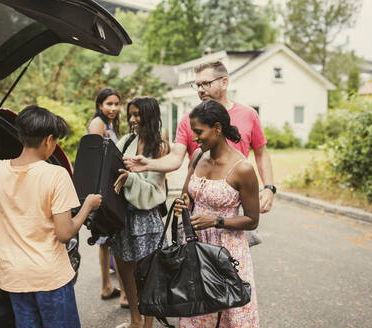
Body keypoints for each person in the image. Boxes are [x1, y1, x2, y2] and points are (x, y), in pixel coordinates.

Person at [0, 105, 102, 328]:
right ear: (49, 140)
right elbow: (64, 233)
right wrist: (88, 206)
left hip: (14, 278)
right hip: (50, 278)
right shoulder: (56, 175)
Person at [124, 60, 275, 213]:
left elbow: (261, 154)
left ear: (224, 82)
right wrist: (148, 164)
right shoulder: (188, 120)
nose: (200, 90)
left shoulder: (248, 115)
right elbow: (176, 157)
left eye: (206, 83)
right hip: (198, 204)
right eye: (198, 85)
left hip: (237, 203)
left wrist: (269, 188)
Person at [174, 100, 260, 328]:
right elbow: (187, 195)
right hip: (195, 245)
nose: (194, 138)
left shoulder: (242, 169)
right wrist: (181, 205)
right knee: (197, 314)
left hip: (227, 252)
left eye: (199, 131)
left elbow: (252, 220)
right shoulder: (197, 158)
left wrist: (216, 220)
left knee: (229, 314)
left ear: (218, 128)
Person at [112, 97, 169, 328]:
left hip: (147, 219)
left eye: (138, 114)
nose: (133, 119)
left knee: (149, 276)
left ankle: (148, 323)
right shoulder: (126, 141)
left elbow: (156, 189)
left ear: (150, 116)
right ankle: (134, 320)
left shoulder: (161, 147)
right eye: (131, 115)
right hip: (123, 218)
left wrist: (129, 179)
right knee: (127, 274)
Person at [87, 87, 127, 307]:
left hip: (109, 186)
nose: (113, 108)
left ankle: (107, 286)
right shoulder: (97, 124)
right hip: (104, 188)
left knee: (106, 241)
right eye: (109, 104)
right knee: (113, 240)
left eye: (116, 104)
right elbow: (94, 157)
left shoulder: (109, 125)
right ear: (100, 105)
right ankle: (124, 294)